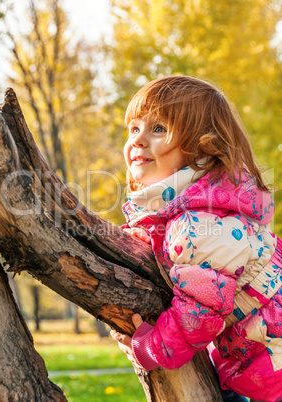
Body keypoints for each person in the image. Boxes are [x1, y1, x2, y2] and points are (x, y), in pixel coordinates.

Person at [110, 75, 282, 402]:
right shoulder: (201, 209)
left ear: (202, 148)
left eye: (157, 129)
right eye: (133, 129)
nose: (138, 140)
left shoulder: (202, 223)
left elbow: (199, 316)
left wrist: (149, 348)